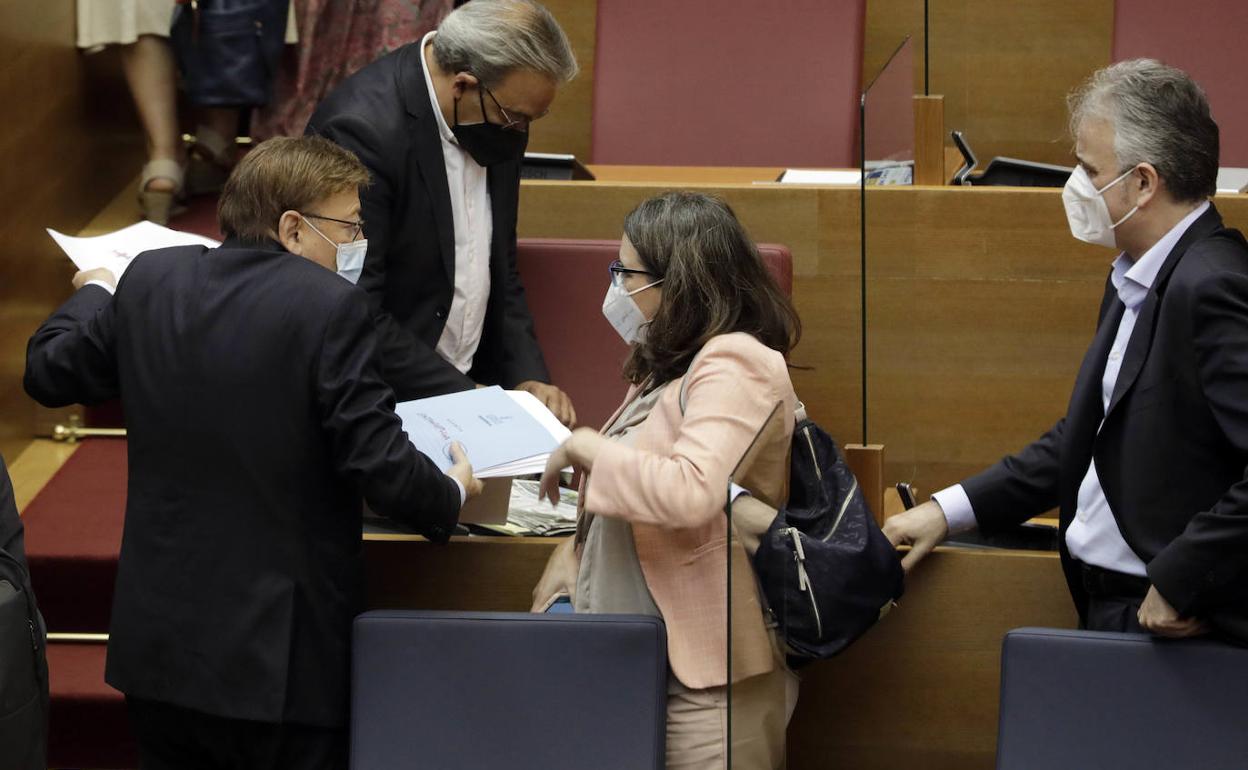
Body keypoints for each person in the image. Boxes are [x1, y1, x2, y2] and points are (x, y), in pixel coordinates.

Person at [24, 135, 481, 769]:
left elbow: (49, 372)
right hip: (278, 664)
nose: (359, 244)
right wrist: (450, 490)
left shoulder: (151, 280)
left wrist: (99, 288)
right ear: (293, 228)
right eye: (349, 225)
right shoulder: (330, 306)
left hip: (160, 651)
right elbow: (376, 461)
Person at [884, 59, 1248, 639]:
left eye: (1087, 168)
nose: (1075, 186)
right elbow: (1095, 435)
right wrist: (946, 512)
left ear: (1144, 183)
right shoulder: (1138, 275)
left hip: (1163, 625)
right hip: (1108, 604)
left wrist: (1183, 577)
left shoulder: (1211, 285)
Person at [530, 192, 802, 768]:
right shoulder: (666, 370)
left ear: (679, 283)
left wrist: (587, 447)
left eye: (625, 273)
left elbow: (691, 491)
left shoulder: (737, 362)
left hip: (707, 675)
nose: (616, 288)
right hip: (634, 658)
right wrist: (572, 550)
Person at [306, 0, 579, 424]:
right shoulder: (361, 131)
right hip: (375, 402)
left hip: (471, 391)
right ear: (463, 85)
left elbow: (499, 267)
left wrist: (528, 381)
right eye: (517, 119)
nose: (521, 134)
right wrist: (465, 396)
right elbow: (353, 308)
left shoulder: (498, 115)